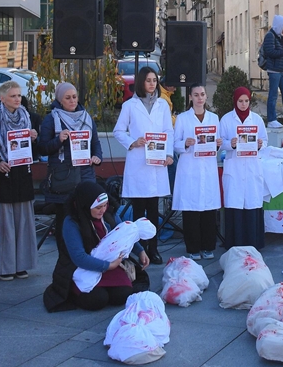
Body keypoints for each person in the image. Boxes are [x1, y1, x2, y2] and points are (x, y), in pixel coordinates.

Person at [42, 182, 149, 312]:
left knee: (123, 294)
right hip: (81, 267)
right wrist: (108, 266)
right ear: (86, 206)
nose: (103, 210)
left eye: (105, 205)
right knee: (97, 300)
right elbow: (78, 257)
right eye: (98, 208)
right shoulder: (72, 222)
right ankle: (76, 292)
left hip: (110, 263)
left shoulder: (109, 214)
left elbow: (125, 233)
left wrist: (140, 251)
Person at [113, 67, 174, 265]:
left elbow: (168, 131)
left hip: (156, 163)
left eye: (154, 80)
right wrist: (132, 142)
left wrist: (168, 154)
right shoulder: (130, 105)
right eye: (148, 80)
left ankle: (153, 248)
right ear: (141, 82)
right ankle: (139, 251)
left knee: (154, 209)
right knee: (139, 211)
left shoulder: (163, 105)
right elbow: (118, 130)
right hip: (139, 162)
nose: (152, 84)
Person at [0, 81, 39, 281]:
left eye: (19, 95)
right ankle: (4, 267)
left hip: (22, 176)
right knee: (5, 226)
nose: (17, 99)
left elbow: (37, 150)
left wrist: (34, 137)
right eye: (13, 96)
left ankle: (22, 265)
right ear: (2, 98)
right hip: (2, 178)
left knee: (23, 224)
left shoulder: (29, 118)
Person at [38, 82, 103, 261]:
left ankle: (86, 257)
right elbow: (42, 148)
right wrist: (58, 140)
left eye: (74, 96)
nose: (72, 100)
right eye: (68, 98)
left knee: (85, 219)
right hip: (64, 178)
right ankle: (65, 260)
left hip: (85, 175)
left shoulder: (86, 117)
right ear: (60, 99)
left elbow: (95, 143)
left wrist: (97, 156)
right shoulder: (51, 118)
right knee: (65, 222)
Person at [173, 84, 222, 259]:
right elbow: (174, 143)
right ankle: (193, 248)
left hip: (207, 167)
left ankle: (208, 246)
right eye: (196, 95)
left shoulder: (214, 118)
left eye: (202, 94)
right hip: (189, 168)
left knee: (208, 208)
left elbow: (219, 143)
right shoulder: (183, 119)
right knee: (191, 209)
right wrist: (185, 143)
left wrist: (218, 144)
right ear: (191, 98)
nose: (199, 98)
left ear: (206, 97)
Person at [219, 87, 269, 249]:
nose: (243, 104)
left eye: (246, 101)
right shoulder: (226, 120)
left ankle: (254, 242)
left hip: (252, 167)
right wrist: (230, 144)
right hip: (234, 167)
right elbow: (219, 143)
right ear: (235, 101)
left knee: (252, 203)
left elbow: (265, 140)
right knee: (235, 205)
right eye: (240, 101)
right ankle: (235, 243)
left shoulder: (256, 119)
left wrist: (261, 144)